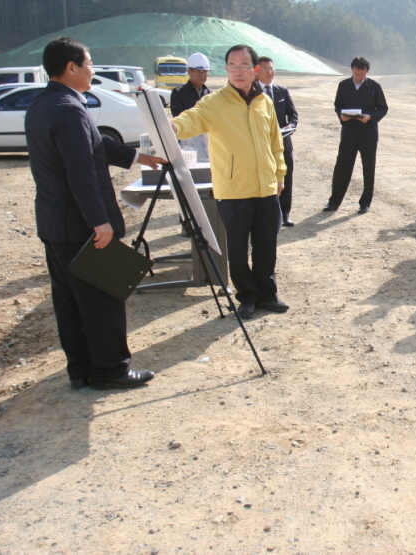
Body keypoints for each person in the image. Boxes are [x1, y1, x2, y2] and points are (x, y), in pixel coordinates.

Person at [26, 37, 165, 390]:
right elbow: (80, 170)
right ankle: (111, 370)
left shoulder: (44, 104)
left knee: (70, 299)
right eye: (88, 63)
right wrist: (98, 220)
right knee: (103, 297)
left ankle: (83, 369)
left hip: (56, 224)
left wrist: (137, 157)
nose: (92, 70)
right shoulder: (69, 109)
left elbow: (95, 145)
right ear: (71, 67)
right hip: (81, 226)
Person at [172, 44, 288, 320]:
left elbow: (276, 143)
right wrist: (171, 127)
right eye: (232, 66)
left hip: (267, 187)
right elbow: (191, 120)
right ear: (226, 70)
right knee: (237, 249)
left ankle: (267, 294)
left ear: (255, 70)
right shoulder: (215, 102)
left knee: (266, 246)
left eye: (244, 65)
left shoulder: (265, 102)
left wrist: (279, 174)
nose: (238, 71)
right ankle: (246, 297)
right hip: (234, 189)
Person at [324, 57, 388, 214]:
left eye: (362, 74)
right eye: (356, 73)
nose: (359, 77)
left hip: (368, 134)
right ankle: (334, 202)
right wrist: (341, 115)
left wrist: (370, 117)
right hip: (349, 133)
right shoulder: (343, 85)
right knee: (342, 168)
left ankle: (365, 203)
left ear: (367, 72)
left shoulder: (374, 86)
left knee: (368, 168)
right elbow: (338, 105)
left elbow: (382, 108)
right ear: (352, 70)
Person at [256, 56, 299, 227]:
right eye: (265, 69)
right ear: (257, 71)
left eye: (272, 69)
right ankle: (265, 216)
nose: (270, 72)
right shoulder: (252, 93)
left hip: (283, 144)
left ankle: (285, 214)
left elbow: (293, 114)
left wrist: (291, 126)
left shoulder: (282, 91)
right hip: (262, 146)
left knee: (286, 179)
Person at [169, 52, 212, 161]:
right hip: (187, 143)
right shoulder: (179, 92)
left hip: (207, 143)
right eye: (199, 71)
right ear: (189, 72)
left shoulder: (210, 94)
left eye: (205, 72)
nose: (202, 75)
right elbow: (178, 117)